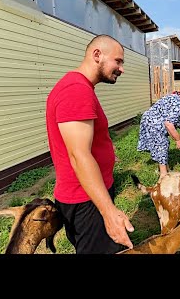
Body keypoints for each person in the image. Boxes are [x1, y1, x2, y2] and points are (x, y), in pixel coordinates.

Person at [45, 34, 134, 254]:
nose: (121, 69)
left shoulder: (79, 87)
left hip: (89, 194)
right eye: (118, 61)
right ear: (97, 55)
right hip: (86, 199)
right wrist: (108, 212)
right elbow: (79, 156)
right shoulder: (76, 91)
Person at [137, 89, 180, 177]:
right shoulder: (177, 105)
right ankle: (163, 175)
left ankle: (164, 169)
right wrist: (178, 139)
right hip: (153, 122)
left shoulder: (179, 101)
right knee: (162, 144)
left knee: (162, 144)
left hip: (155, 120)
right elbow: (169, 124)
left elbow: (179, 121)